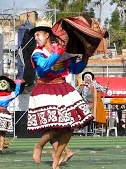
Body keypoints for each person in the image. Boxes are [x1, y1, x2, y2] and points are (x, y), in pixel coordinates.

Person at [26, 18, 94, 169]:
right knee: (55, 126)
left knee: (70, 126)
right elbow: (43, 68)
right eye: (35, 36)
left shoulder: (61, 50)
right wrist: (56, 54)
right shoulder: (37, 53)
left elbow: (75, 70)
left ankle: (57, 157)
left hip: (62, 88)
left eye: (38, 35)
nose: (36, 38)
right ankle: (39, 146)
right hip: (45, 89)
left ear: (47, 35)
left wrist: (86, 57)